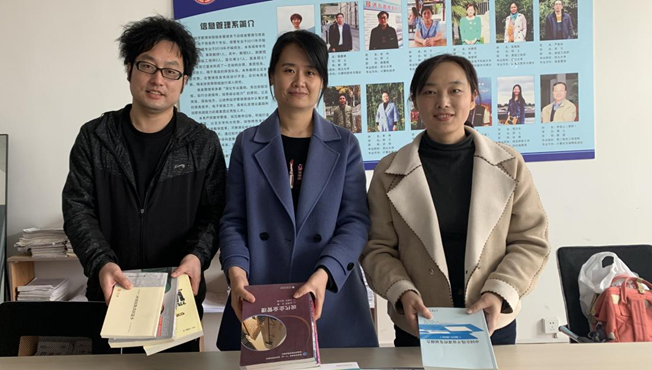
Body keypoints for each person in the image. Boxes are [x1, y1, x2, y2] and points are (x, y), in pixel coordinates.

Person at [62, 16, 226, 352]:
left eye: (171, 71)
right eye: (147, 66)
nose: (157, 79)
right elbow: (77, 208)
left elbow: (214, 213)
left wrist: (197, 257)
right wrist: (101, 263)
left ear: (184, 81)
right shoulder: (95, 138)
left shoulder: (202, 144)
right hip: (110, 295)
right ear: (129, 68)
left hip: (176, 299)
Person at [362, 54, 550, 347]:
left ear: (473, 98)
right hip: (419, 322)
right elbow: (377, 248)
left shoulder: (509, 164)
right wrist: (401, 291)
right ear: (415, 102)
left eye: (455, 90)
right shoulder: (389, 172)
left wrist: (499, 291)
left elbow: (530, 241)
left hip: (491, 319)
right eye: (430, 92)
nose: (443, 102)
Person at [217, 30, 377, 351]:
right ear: (272, 76)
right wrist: (236, 274)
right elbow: (233, 221)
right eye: (289, 69)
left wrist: (325, 273)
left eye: (311, 72)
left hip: (329, 294)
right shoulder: (247, 143)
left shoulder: (345, 144)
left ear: (322, 81)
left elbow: (355, 222)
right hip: (260, 292)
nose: (299, 81)